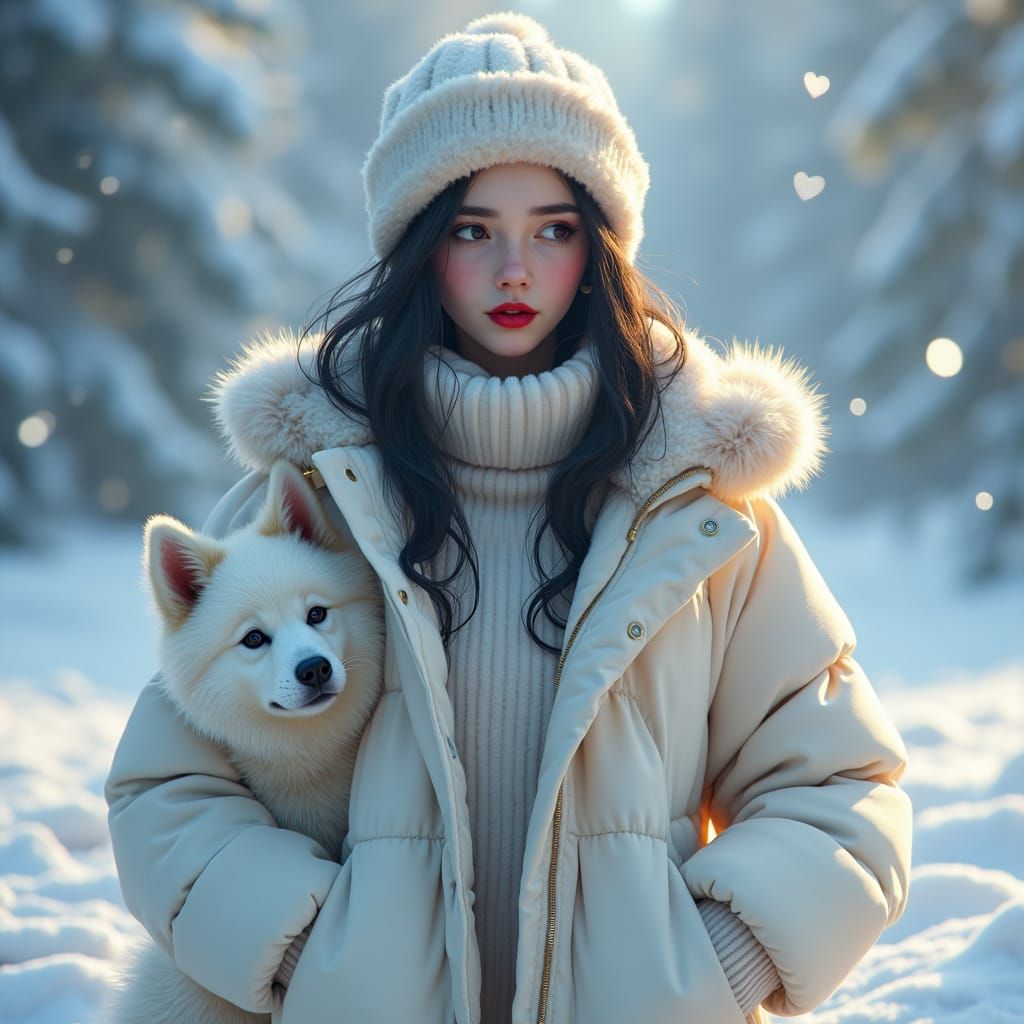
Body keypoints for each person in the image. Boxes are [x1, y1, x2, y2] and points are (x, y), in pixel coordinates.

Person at [105, 11, 913, 1024]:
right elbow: (167, 792)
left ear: (600, 247)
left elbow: (839, 784)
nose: (515, 270)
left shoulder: (702, 505)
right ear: (418, 250)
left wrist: (717, 964)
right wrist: (309, 954)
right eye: (471, 230)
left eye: (554, 228)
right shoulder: (313, 495)